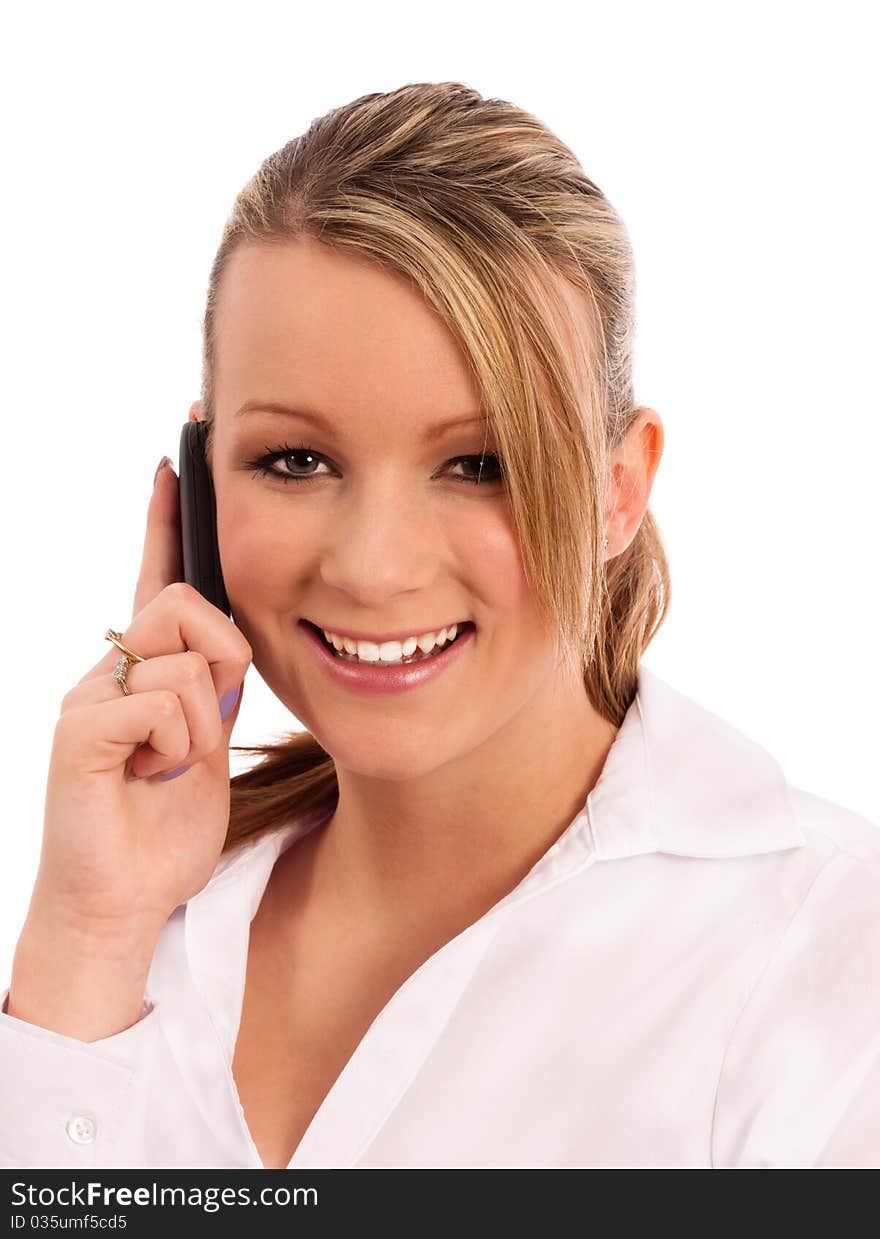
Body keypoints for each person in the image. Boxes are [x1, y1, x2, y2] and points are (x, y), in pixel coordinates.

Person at [1, 82, 878, 1172]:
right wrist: (85, 941)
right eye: (294, 460)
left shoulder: (826, 955)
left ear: (619, 491)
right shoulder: (143, 909)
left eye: (480, 466)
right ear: (200, 485)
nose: (373, 568)